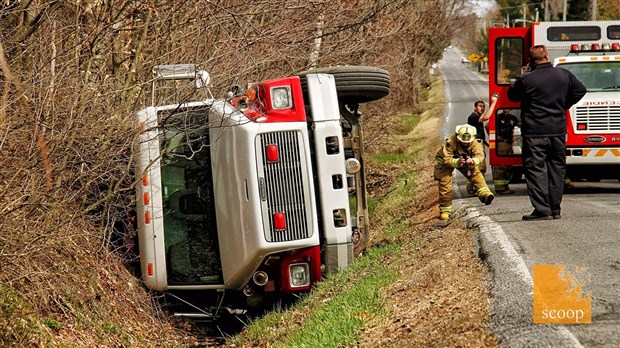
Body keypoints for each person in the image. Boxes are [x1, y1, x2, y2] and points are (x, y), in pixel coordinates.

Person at [507, 45, 586, 221]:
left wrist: (523, 75)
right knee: (557, 169)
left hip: (535, 132)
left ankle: (543, 210)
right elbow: (581, 90)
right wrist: (563, 105)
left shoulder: (527, 79)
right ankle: (555, 209)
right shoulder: (563, 74)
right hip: (557, 130)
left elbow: (512, 95)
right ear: (547, 56)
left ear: (530, 60)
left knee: (536, 170)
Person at [434, 124, 495, 220]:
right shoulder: (450, 142)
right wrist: (457, 161)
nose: (466, 144)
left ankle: (484, 194)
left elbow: (480, 156)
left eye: (468, 142)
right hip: (446, 163)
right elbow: (447, 159)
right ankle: (445, 211)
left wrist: (473, 161)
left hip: (465, 160)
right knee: (445, 184)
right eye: (463, 142)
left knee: (475, 173)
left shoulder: (476, 142)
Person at [466, 94, 499, 195]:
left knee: (475, 166)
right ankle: (476, 188)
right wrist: (494, 103)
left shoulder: (477, 117)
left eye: (484, 106)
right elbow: (487, 117)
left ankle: (471, 188)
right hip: (476, 144)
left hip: (479, 143)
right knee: (480, 167)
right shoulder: (473, 117)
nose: (482, 108)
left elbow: (486, 125)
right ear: (475, 107)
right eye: (480, 106)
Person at [493, 109, 520, 194]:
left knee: (508, 166)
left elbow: (519, 124)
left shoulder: (513, 118)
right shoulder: (498, 117)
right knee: (501, 166)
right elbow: (487, 126)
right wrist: (496, 139)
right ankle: (500, 188)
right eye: (505, 109)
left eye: (508, 109)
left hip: (509, 143)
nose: (506, 110)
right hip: (501, 143)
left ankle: (505, 187)